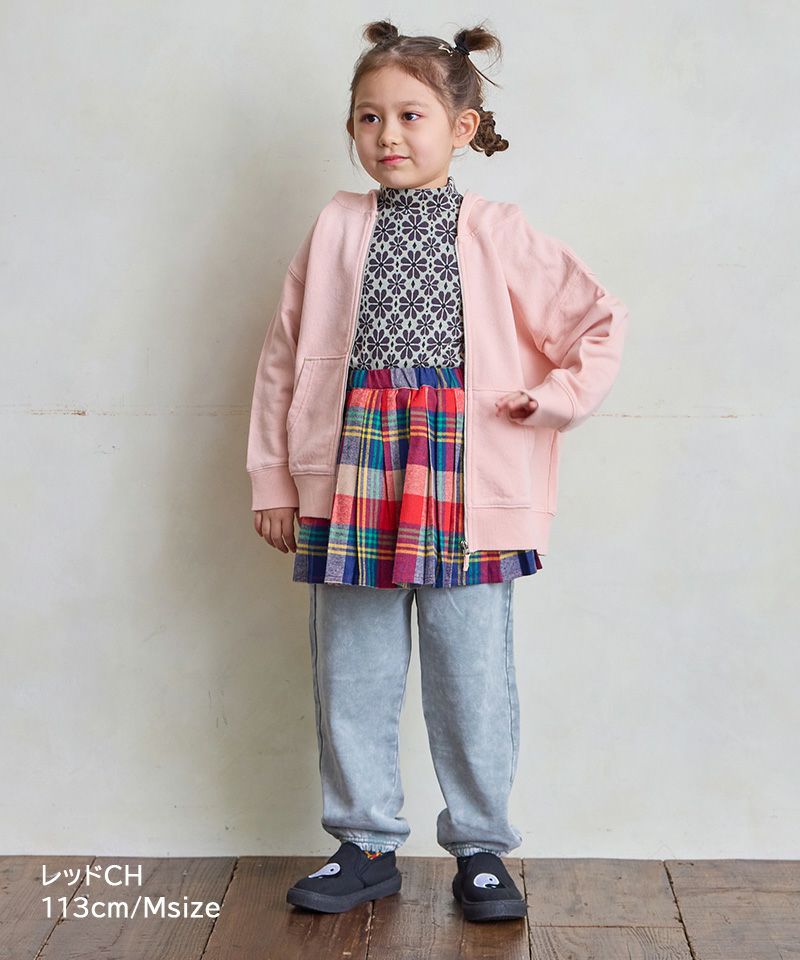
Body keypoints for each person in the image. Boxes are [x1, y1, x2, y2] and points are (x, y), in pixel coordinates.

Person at [246, 19, 628, 923]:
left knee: (471, 674)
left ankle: (482, 848)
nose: (387, 135)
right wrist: (274, 480)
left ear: (462, 127)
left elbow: (596, 323)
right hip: (353, 472)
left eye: (410, 116)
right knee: (353, 668)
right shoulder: (335, 228)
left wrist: (555, 399)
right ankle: (366, 843)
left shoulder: (499, 231)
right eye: (368, 117)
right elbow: (284, 358)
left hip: (465, 476)